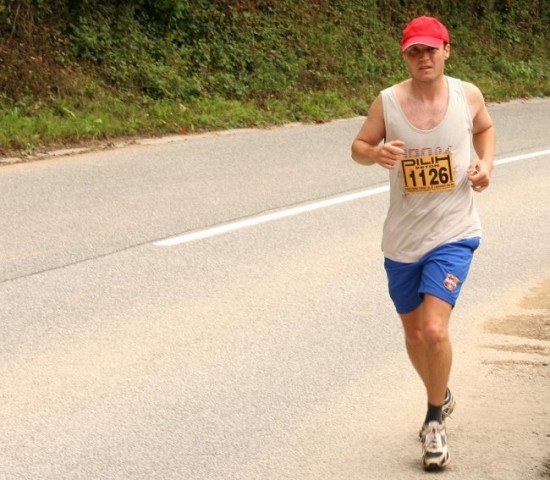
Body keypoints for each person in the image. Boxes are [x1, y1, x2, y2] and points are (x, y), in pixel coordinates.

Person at [351, 16, 495, 471]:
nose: (424, 57)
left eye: (432, 49)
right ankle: (441, 389)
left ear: (447, 50)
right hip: (402, 239)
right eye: (415, 50)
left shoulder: (466, 95)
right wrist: (375, 154)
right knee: (414, 335)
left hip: (454, 233)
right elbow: (357, 146)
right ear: (405, 55)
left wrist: (485, 165)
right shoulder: (388, 102)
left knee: (434, 329)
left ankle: (434, 420)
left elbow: (484, 130)